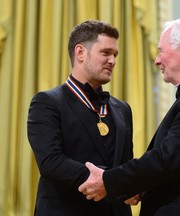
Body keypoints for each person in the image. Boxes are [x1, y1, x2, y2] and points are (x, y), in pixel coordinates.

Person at [79, 18, 180, 216]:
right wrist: (138, 187)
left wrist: (109, 181)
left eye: (161, 51)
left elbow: (168, 158)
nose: (157, 60)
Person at [27, 20, 134, 216]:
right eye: (106, 52)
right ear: (80, 53)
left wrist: (134, 183)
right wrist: (107, 181)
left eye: (115, 54)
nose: (113, 61)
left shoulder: (123, 109)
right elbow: (50, 162)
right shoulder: (46, 102)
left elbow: (126, 163)